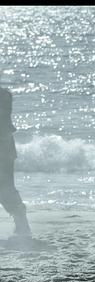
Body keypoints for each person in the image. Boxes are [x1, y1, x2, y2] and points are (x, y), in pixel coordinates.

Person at [0, 85, 31, 237]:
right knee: (6, 189)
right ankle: (22, 225)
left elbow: (4, 125)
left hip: (4, 148)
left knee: (6, 190)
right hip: (6, 147)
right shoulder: (5, 94)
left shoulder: (4, 95)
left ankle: (22, 226)